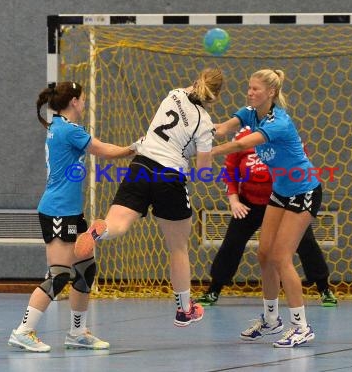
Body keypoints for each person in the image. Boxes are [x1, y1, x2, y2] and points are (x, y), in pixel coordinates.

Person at [75, 68, 224, 327]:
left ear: (195, 81)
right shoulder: (204, 121)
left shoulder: (174, 94)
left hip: (141, 164)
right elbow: (203, 170)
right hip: (170, 175)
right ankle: (184, 309)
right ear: (215, 97)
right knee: (178, 248)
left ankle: (99, 231)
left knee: (118, 225)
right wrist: (209, 149)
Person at [8, 81, 135, 352]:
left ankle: (77, 333)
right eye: (83, 98)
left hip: (71, 212)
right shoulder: (68, 130)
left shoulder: (58, 126)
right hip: (57, 211)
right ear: (75, 101)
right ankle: (24, 331)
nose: (85, 102)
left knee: (85, 270)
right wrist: (136, 148)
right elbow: (104, 151)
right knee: (59, 276)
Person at [212, 69, 321, 348]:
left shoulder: (279, 123)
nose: (250, 93)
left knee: (282, 257)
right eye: (249, 88)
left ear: (270, 93)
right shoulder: (249, 113)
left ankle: (301, 326)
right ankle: (271, 320)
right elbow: (224, 128)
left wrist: (208, 152)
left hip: (304, 190)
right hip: (281, 191)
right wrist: (193, 132)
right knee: (264, 255)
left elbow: (239, 144)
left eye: (256, 89)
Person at [197, 126, 337, 307]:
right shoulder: (241, 138)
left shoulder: (284, 132)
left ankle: (324, 288)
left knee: (306, 242)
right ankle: (214, 290)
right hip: (249, 203)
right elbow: (230, 172)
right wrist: (234, 202)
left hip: (283, 201)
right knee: (232, 242)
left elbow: (300, 170)